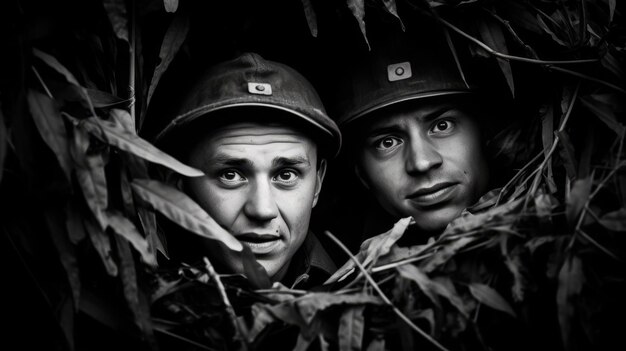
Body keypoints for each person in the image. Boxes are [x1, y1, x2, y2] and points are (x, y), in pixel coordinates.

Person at [152, 52, 341, 289]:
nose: (262, 210)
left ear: (318, 183)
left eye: (286, 175)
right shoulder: (143, 300)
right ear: (176, 184)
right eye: (230, 175)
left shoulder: (364, 290)